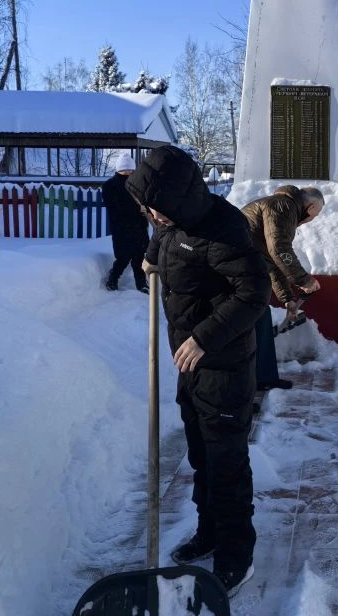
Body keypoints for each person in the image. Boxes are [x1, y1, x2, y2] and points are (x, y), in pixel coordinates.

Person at [125, 145, 269, 597]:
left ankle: (235, 554)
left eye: (156, 208)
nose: (151, 215)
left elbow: (253, 293)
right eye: (147, 207)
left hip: (222, 365)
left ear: (179, 200)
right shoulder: (172, 222)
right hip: (190, 366)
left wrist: (205, 337)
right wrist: (152, 255)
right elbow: (165, 241)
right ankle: (209, 533)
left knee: (226, 464)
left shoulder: (225, 231)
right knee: (201, 458)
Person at [240, 185, 324, 391]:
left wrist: (287, 298)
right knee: (250, 325)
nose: (312, 220)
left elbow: (271, 259)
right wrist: (304, 280)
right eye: (316, 214)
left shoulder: (280, 207)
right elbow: (279, 250)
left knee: (262, 319)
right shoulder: (283, 206)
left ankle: (263, 378)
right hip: (237, 269)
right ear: (311, 206)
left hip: (247, 267)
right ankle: (245, 388)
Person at [102, 153, 150, 293]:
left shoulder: (139, 184)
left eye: (130, 170)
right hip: (121, 228)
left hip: (139, 227)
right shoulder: (110, 185)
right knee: (123, 257)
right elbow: (115, 207)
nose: (128, 172)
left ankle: (141, 283)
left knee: (139, 258)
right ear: (118, 169)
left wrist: (145, 208)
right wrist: (137, 209)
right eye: (125, 170)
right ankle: (113, 279)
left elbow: (147, 200)